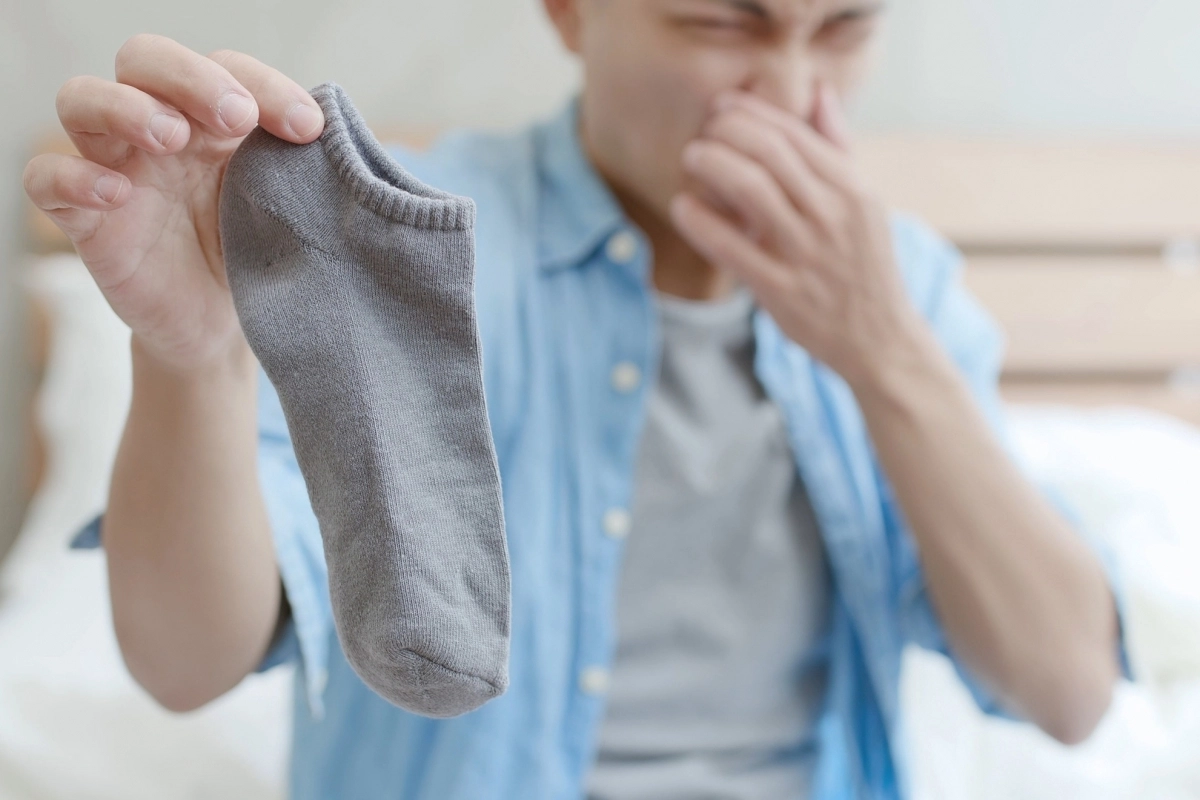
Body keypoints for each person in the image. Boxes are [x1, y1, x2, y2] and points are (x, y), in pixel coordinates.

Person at [22, 1, 1129, 798]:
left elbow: (1070, 692)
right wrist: (193, 352)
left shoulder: (905, 287)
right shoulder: (394, 249)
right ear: (568, 11)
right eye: (724, 24)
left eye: (843, 27)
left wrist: (886, 352)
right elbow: (186, 663)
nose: (794, 95)